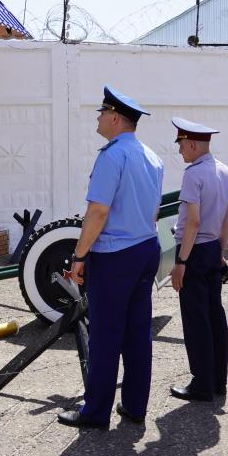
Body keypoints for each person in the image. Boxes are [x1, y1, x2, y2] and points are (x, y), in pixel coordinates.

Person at [57, 85, 164, 429]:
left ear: (115, 118)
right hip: (146, 247)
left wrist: (78, 256)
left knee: (105, 335)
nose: (99, 118)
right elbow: (154, 209)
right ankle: (134, 407)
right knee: (137, 333)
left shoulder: (111, 155)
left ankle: (95, 411)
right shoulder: (152, 156)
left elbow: (98, 212)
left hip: (116, 254)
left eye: (102, 112)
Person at [167, 117, 228, 402]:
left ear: (192, 144)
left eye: (182, 145)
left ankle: (202, 384)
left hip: (193, 251)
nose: (180, 151)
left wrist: (180, 262)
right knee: (214, 315)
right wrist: (220, 252)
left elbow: (192, 222)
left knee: (196, 320)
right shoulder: (224, 170)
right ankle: (218, 380)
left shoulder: (193, 175)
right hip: (212, 249)